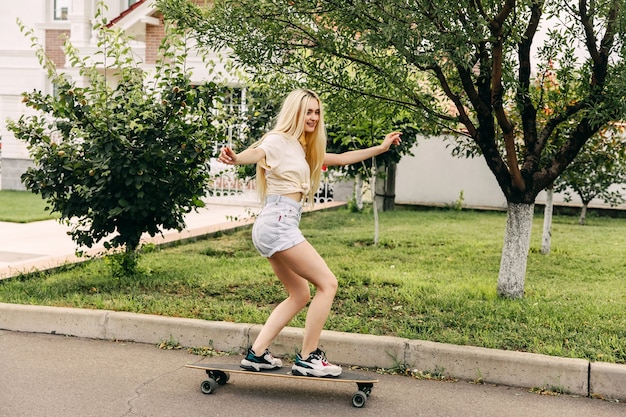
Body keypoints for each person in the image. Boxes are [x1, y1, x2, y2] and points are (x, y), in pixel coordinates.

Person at [217, 88, 401, 377]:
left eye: (317, 112)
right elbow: (257, 153)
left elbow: (340, 158)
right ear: (295, 113)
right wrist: (236, 158)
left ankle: (257, 354)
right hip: (278, 222)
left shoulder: (303, 149)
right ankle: (307, 357)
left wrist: (380, 148)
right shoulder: (278, 141)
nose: (314, 117)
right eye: (309, 112)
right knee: (328, 283)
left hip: (274, 223)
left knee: (300, 294)